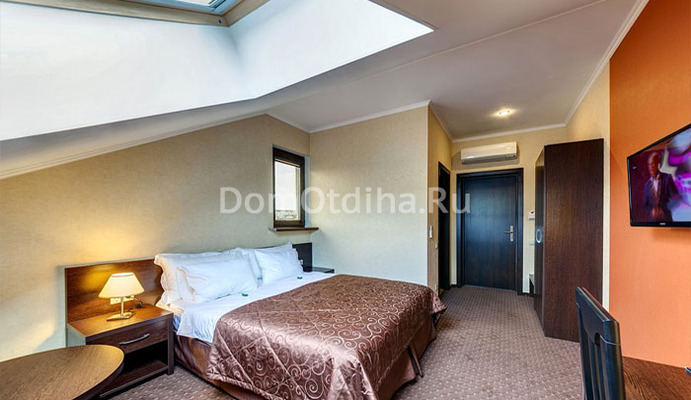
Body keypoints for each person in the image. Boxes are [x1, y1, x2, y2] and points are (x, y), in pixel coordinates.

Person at [643, 152, 679, 221]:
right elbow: (645, 205)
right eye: (649, 164)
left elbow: (676, 198)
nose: (651, 167)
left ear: (658, 163)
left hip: (667, 220)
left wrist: (663, 210)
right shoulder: (646, 185)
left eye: (653, 163)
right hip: (654, 223)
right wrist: (651, 211)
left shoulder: (667, 178)